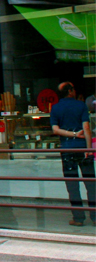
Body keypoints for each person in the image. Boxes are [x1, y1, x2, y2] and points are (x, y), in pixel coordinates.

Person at [50, 82, 95, 227]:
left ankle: (78, 218)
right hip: (83, 148)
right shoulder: (81, 105)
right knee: (91, 184)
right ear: (70, 91)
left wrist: (72, 134)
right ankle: (95, 217)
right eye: (73, 89)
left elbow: (55, 130)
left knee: (72, 184)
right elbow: (86, 128)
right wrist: (89, 149)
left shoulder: (55, 108)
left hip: (67, 149)